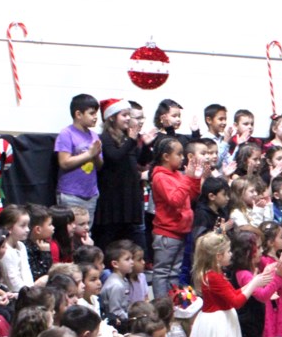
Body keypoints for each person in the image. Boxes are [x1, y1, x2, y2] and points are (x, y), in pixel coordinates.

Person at [150, 138, 204, 298]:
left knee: (174, 273)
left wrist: (194, 178)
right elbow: (175, 200)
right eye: (179, 154)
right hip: (166, 233)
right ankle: (162, 309)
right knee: (162, 273)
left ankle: (173, 306)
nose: (182, 158)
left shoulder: (177, 175)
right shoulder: (160, 176)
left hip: (180, 232)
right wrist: (187, 178)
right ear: (166, 157)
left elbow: (191, 196)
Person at [95, 98, 144, 250]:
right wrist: (131, 140)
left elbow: (139, 160)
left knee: (128, 237)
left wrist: (145, 145)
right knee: (110, 236)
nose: (128, 118)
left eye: (129, 115)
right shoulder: (105, 138)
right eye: (124, 115)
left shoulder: (127, 138)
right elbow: (114, 157)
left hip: (128, 195)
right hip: (113, 197)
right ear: (111, 118)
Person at [55, 93, 103, 227]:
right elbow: (64, 163)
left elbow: (99, 166)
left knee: (86, 231)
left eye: (96, 113)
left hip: (91, 193)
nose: (95, 117)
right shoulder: (66, 134)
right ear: (78, 114)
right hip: (71, 194)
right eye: (92, 113)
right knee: (69, 231)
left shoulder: (94, 136)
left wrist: (96, 155)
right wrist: (89, 154)